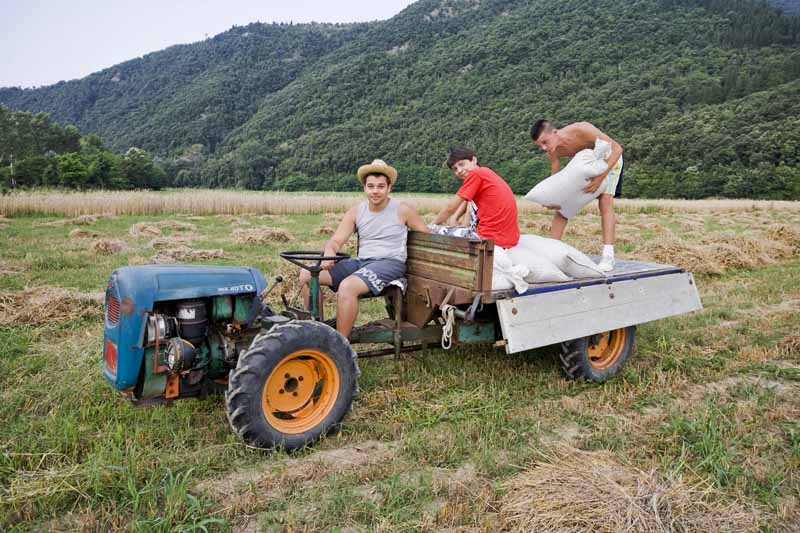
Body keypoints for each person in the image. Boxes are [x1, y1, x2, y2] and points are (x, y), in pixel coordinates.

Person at [299, 159, 430, 339]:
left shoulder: (403, 210)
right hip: (363, 262)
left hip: (390, 263)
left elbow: (427, 236)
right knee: (307, 275)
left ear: (389, 188)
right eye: (371, 186)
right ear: (364, 188)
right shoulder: (356, 211)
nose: (375, 191)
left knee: (348, 286)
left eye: (380, 186)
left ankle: (340, 345)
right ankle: (317, 331)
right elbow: (336, 240)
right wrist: (329, 252)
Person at [530, 120, 624, 271]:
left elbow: (618, 149)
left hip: (610, 159)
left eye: (545, 142)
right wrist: (554, 198)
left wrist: (600, 178)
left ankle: (608, 256)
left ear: (555, 132)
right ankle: (552, 254)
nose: (543, 148)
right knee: (562, 208)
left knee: (605, 201)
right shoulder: (552, 151)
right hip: (586, 164)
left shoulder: (582, 129)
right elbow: (556, 180)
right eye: (540, 145)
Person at [431, 146, 520, 249]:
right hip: (508, 239)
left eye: (461, 164)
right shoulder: (485, 173)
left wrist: (431, 225)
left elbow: (450, 208)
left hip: (489, 239)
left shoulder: (476, 174)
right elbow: (466, 200)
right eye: (455, 169)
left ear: (474, 160)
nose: (459, 170)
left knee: (434, 231)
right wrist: (455, 218)